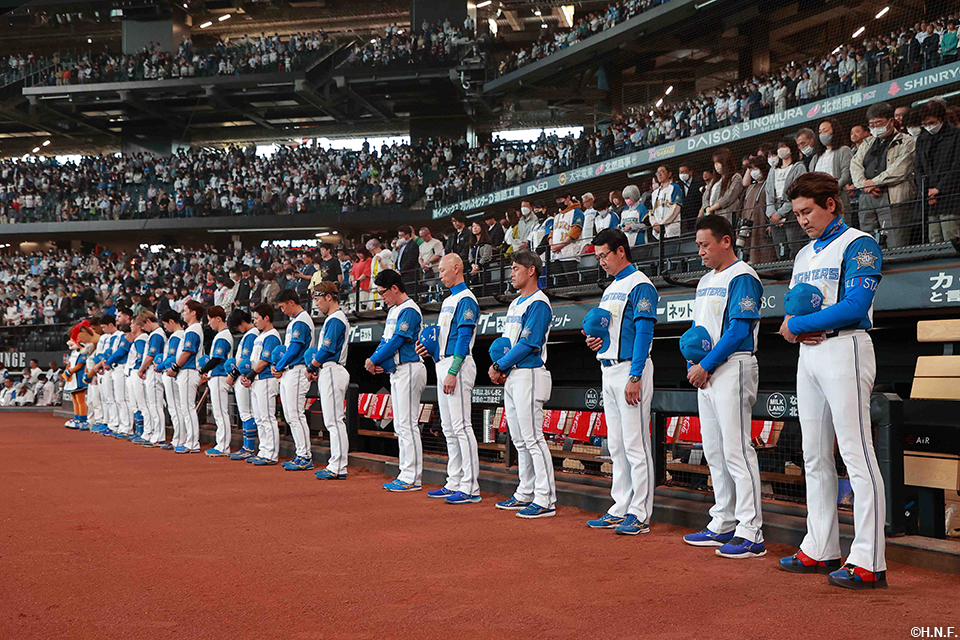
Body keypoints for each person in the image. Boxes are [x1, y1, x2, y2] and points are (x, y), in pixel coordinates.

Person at [777, 172, 887, 590]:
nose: (802, 219)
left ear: (831, 205)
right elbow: (790, 312)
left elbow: (857, 305)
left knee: (857, 454)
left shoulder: (859, 243)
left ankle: (868, 559)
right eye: (797, 213)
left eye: (808, 211)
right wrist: (795, 326)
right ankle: (821, 546)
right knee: (814, 454)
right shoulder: (804, 254)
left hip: (847, 347)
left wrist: (798, 323)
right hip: (810, 354)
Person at [682, 215, 765, 558]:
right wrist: (693, 362)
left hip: (734, 365)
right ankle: (724, 520)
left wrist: (706, 364)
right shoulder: (704, 281)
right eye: (698, 245)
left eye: (705, 244)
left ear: (726, 241)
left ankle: (752, 531)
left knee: (736, 450)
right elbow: (697, 332)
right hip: (708, 370)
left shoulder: (743, 276)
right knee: (714, 450)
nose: (700, 251)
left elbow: (739, 329)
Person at [583, 228, 657, 535]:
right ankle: (620, 505)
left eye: (604, 255)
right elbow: (607, 329)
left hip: (630, 369)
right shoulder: (611, 287)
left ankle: (639, 512)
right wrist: (594, 341)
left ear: (621, 251)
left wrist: (636, 375)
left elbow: (644, 332)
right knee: (615, 444)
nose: (601, 261)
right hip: (608, 367)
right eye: (598, 256)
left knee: (635, 443)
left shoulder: (641, 284)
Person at [488, 251, 556, 519]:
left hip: (529, 373)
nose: (511, 273)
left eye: (516, 268)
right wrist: (502, 366)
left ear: (531, 271)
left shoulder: (539, 303)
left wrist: (499, 366)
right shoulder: (515, 303)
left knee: (532, 438)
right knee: (518, 439)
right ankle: (526, 491)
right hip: (514, 374)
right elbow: (507, 344)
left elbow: (529, 344)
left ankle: (545, 498)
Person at [416, 254, 481, 504]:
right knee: (449, 428)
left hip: (459, 364)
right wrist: (429, 349)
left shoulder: (466, 299)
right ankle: (454, 480)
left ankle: (470, 486)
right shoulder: (449, 300)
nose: (439, 274)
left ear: (456, 268)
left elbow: (463, 339)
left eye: (442, 270)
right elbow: (445, 336)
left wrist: (453, 370)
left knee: (463, 426)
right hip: (442, 362)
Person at [366, 269, 426, 492]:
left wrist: (373, 359)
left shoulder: (409, 309)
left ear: (394, 288)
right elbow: (385, 341)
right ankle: (406, 473)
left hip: (410, 368)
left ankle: (412, 477)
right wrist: (375, 360)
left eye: (383, 292)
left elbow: (398, 342)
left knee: (407, 424)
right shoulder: (393, 311)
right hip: (399, 370)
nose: (382, 297)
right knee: (401, 424)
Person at [850, 102, 917, 247]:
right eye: (871, 124)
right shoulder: (867, 142)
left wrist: (875, 182)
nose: (875, 127)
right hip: (866, 196)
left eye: (878, 123)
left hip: (893, 197)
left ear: (891, 121)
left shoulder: (906, 141)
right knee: (867, 241)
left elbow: (900, 169)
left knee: (895, 241)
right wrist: (864, 184)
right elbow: (855, 165)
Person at [307, 282, 351, 480]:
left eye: (318, 298)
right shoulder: (333, 319)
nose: (316, 303)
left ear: (329, 297)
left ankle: (338, 465)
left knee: (334, 421)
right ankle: (337, 464)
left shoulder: (335, 319)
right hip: (329, 369)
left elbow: (327, 350)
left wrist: (312, 366)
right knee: (333, 421)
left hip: (333, 368)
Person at [272, 289, 316, 471]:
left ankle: (305, 456)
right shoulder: (295, 321)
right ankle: (301, 453)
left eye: (283, 306)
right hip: (292, 370)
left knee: (295, 414)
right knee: (291, 415)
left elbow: (295, 349)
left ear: (291, 302)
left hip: (298, 370)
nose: (282, 311)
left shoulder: (301, 320)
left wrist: (280, 365)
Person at [241, 304, 283, 466]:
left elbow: (265, 361)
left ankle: (271, 453)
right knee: (259, 418)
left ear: (267, 318)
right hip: (257, 380)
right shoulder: (260, 336)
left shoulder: (271, 335)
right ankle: (264, 450)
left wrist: (250, 375)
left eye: (257, 318)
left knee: (267, 417)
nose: (255, 321)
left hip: (266, 379)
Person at [914, 99, 960, 243]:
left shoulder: (956, 135)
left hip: (951, 196)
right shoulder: (921, 140)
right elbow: (918, 167)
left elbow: (957, 166)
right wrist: (926, 190)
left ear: (941, 119)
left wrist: (939, 189)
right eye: (925, 124)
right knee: (934, 238)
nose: (928, 127)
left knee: (951, 235)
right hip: (929, 199)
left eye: (932, 123)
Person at [167, 299, 204, 454]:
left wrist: (175, 367)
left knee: (187, 408)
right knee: (185, 408)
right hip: (186, 371)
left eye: (186, 310)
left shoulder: (193, 329)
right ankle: (190, 440)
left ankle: (192, 442)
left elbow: (188, 352)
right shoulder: (191, 329)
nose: (183, 313)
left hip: (188, 370)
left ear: (193, 313)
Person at [199, 306, 234, 457]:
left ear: (218, 319)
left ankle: (223, 445)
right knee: (220, 412)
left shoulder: (223, 336)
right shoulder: (222, 335)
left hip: (220, 376)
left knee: (221, 413)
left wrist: (203, 370)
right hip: (217, 376)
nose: (209, 323)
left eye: (210, 319)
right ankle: (222, 444)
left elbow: (217, 359)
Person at [765, 137, 808, 259]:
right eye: (779, 147)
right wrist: (772, 213)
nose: (781, 150)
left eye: (784, 146)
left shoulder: (798, 167)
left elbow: (798, 192)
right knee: (780, 245)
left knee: (793, 242)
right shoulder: (773, 170)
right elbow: (768, 193)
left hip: (791, 210)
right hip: (774, 211)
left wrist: (780, 213)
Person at [226, 309, 260, 460]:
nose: (237, 329)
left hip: (243, 376)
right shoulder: (251, 334)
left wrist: (233, 375)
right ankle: (248, 447)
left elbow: (244, 359)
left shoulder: (251, 334)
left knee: (247, 413)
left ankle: (249, 447)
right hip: (245, 376)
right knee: (247, 413)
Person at [810, 117, 854, 226]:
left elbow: (846, 175)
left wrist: (831, 189)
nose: (822, 134)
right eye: (820, 132)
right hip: (819, 200)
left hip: (838, 198)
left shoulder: (844, 150)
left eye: (825, 130)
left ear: (834, 131)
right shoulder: (816, 157)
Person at [136, 310, 166, 448]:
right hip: (153, 371)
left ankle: (159, 436)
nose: (143, 329)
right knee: (153, 404)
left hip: (154, 372)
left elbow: (151, 356)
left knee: (155, 405)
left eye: (143, 325)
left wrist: (141, 368)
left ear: (148, 321)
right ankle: (156, 434)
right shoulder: (155, 334)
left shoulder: (156, 334)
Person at [157, 311, 185, 450]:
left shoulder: (176, 336)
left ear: (171, 321)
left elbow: (172, 358)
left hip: (172, 373)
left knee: (175, 407)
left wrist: (160, 366)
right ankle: (180, 438)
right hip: (175, 373)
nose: (165, 327)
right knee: (177, 407)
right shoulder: (180, 335)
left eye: (165, 323)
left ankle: (178, 439)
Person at [105, 308, 133, 438]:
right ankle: (122, 425)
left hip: (123, 366)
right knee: (119, 399)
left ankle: (127, 427)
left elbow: (121, 351)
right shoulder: (122, 334)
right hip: (117, 367)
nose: (117, 318)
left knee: (123, 399)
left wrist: (108, 362)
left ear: (127, 317)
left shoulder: (128, 334)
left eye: (120, 316)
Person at [741, 155, 775, 264]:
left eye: (755, 169)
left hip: (762, 222)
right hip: (749, 225)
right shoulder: (750, 188)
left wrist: (770, 223)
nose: (753, 172)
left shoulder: (768, 185)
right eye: (751, 169)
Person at [549, 194, 584, 285]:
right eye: (557, 200)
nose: (559, 202)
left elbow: (575, 231)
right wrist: (552, 246)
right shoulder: (557, 216)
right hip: (556, 255)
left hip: (569, 253)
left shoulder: (577, 212)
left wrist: (560, 245)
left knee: (571, 280)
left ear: (568, 198)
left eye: (561, 199)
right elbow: (551, 233)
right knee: (559, 281)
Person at [701, 148, 744, 223]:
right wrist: (707, 208)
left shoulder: (736, 177)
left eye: (718, 163)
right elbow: (705, 196)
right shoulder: (715, 180)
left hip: (727, 218)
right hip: (712, 217)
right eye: (715, 163)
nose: (716, 166)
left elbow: (728, 197)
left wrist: (712, 208)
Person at [648, 166, 683, 240]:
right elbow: (651, 212)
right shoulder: (654, 193)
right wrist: (654, 224)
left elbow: (676, 208)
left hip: (671, 231)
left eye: (662, 172)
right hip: (657, 234)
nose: (659, 174)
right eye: (657, 173)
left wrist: (663, 224)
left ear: (669, 174)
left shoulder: (675, 188)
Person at [63, 342, 88, 430]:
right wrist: (66, 371)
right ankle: (76, 417)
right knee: (74, 399)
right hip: (72, 379)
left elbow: (80, 365)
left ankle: (83, 419)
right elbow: (69, 363)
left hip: (78, 378)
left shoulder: (83, 352)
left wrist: (70, 372)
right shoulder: (73, 352)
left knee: (80, 399)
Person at [677, 164, 704, 234]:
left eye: (684, 172)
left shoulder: (699, 184)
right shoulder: (677, 186)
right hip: (683, 220)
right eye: (680, 172)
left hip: (696, 217)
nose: (682, 174)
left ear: (691, 172)